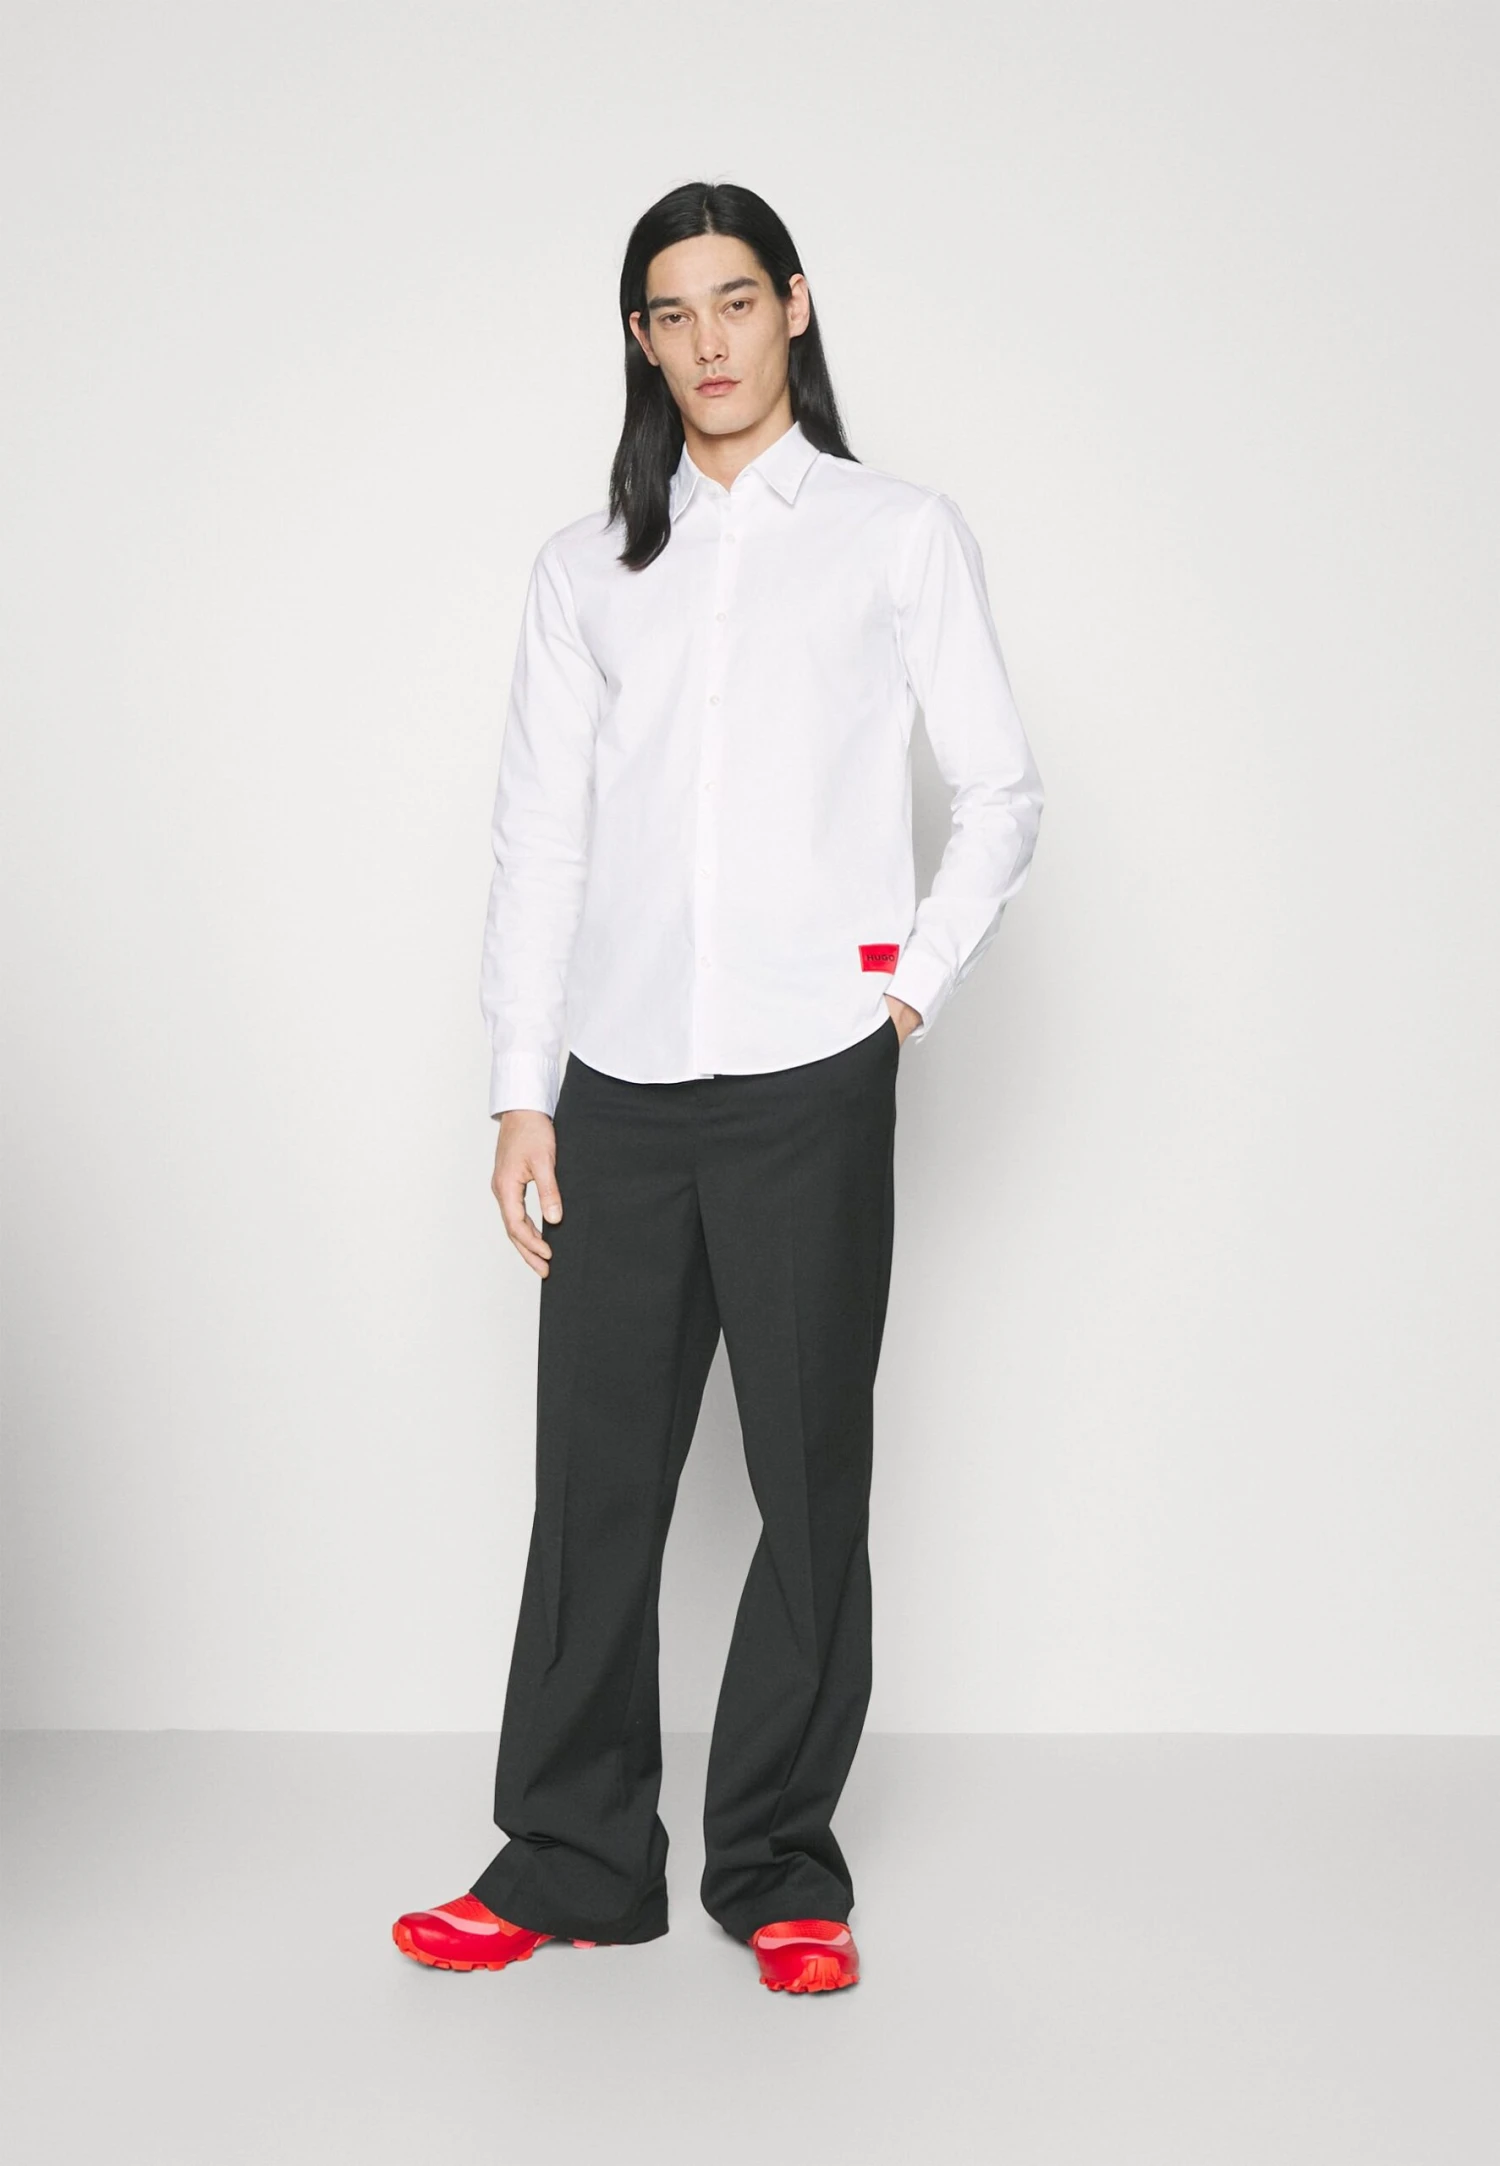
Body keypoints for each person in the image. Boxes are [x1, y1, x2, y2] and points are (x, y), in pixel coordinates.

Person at [393, 180, 1044, 1996]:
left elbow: (1003, 789)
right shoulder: (585, 567)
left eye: (736, 301)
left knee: (808, 1480)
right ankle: (573, 1855)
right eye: (672, 313)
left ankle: (779, 1864)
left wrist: (901, 992)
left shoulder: (897, 536)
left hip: (806, 1080)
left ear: (795, 307)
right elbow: (540, 835)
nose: (709, 342)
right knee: (594, 1481)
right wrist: (521, 1090)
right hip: (615, 1080)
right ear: (640, 340)